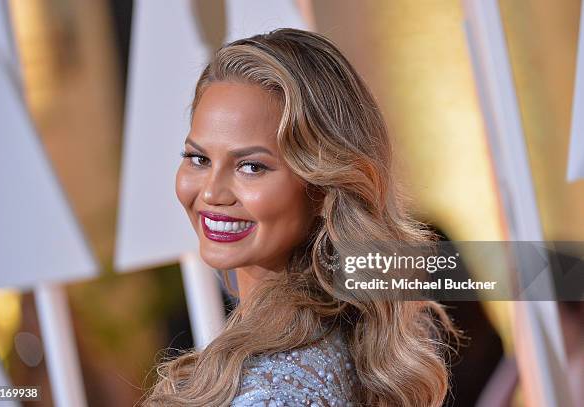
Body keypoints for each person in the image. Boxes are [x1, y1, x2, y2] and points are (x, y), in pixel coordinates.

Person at [144, 28, 454, 407]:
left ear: (323, 187)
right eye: (199, 159)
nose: (210, 193)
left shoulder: (271, 390)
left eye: (251, 167)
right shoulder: (347, 337)